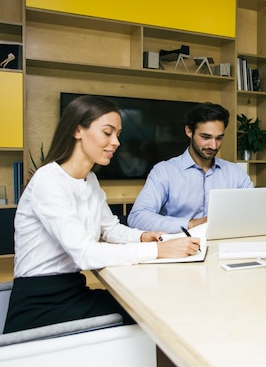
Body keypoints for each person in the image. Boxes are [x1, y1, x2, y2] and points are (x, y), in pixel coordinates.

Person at [4, 95, 199, 334]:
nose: (116, 142)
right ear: (78, 130)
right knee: (154, 314)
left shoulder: (90, 180)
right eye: (107, 133)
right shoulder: (48, 180)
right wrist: (158, 251)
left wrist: (142, 237)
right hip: (41, 306)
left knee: (153, 302)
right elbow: (85, 253)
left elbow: (109, 229)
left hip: (72, 290)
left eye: (118, 134)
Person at [127, 102, 253, 233]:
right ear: (189, 131)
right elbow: (137, 217)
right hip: (179, 248)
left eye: (219, 138)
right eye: (206, 137)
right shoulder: (164, 171)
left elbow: (263, 215)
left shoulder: (236, 173)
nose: (213, 146)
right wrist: (190, 224)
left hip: (226, 247)